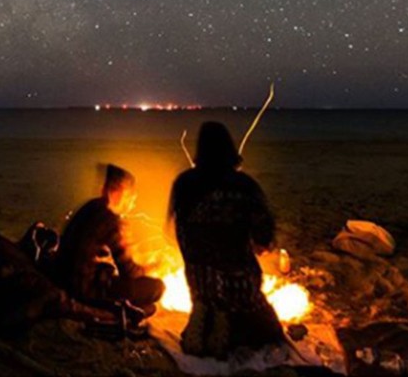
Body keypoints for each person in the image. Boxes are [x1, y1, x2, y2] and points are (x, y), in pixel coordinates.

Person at [168, 122, 284, 359]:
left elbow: (176, 231)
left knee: (208, 293)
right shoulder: (244, 186)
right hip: (237, 282)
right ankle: (227, 325)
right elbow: (264, 235)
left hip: (198, 278)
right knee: (271, 332)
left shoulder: (183, 183)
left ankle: (207, 313)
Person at [53, 164, 164, 316]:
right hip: (84, 289)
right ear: (121, 193)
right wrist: (155, 268)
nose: (133, 204)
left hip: (62, 278)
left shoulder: (90, 206)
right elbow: (130, 272)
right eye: (131, 198)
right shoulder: (111, 220)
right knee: (157, 288)